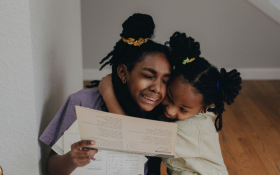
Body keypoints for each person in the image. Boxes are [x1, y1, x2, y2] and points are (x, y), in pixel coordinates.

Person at [39, 13, 173, 175]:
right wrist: (71, 159)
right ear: (123, 73)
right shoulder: (82, 102)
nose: (157, 88)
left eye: (165, 80)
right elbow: (51, 169)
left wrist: (109, 95)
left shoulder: (162, 115)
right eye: (148, 76)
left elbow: (135, 143)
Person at [98, 32, 242, 175]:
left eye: (183, 109)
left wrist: (109, 95)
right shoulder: (188, 112)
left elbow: (133, 140)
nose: (171, 111)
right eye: (170, 97)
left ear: (204, 109)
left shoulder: (188, 129)